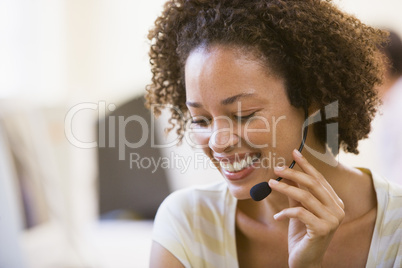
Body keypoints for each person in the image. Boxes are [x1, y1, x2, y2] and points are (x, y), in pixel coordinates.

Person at [145, 0, 402, 267]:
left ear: (312, 99)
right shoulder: (187, 223)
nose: (218, 142)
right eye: (201, 119)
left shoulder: (396, 228)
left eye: (243, 114)